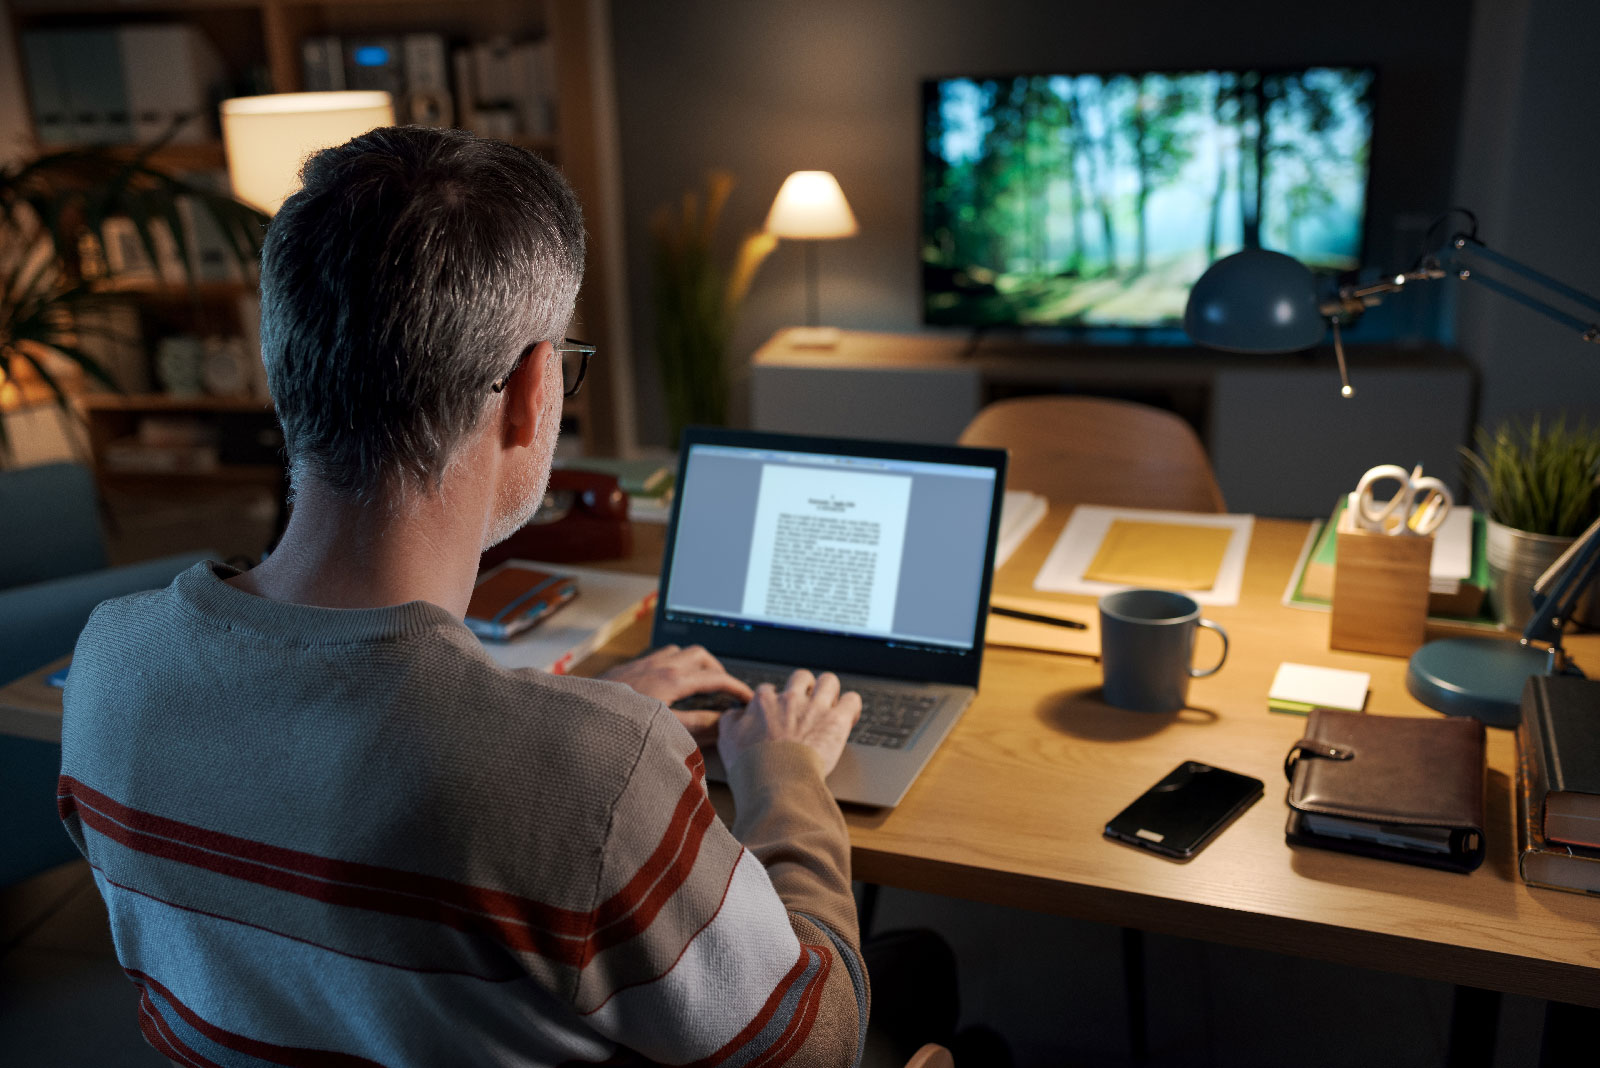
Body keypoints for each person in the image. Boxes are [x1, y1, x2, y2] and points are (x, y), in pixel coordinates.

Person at [57, 126, 870, 1067]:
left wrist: (574, 728)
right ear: (531, 390)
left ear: (281, 370)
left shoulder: (110, 667)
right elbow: (819, 1048)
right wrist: (786, 778)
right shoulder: (591, 774)